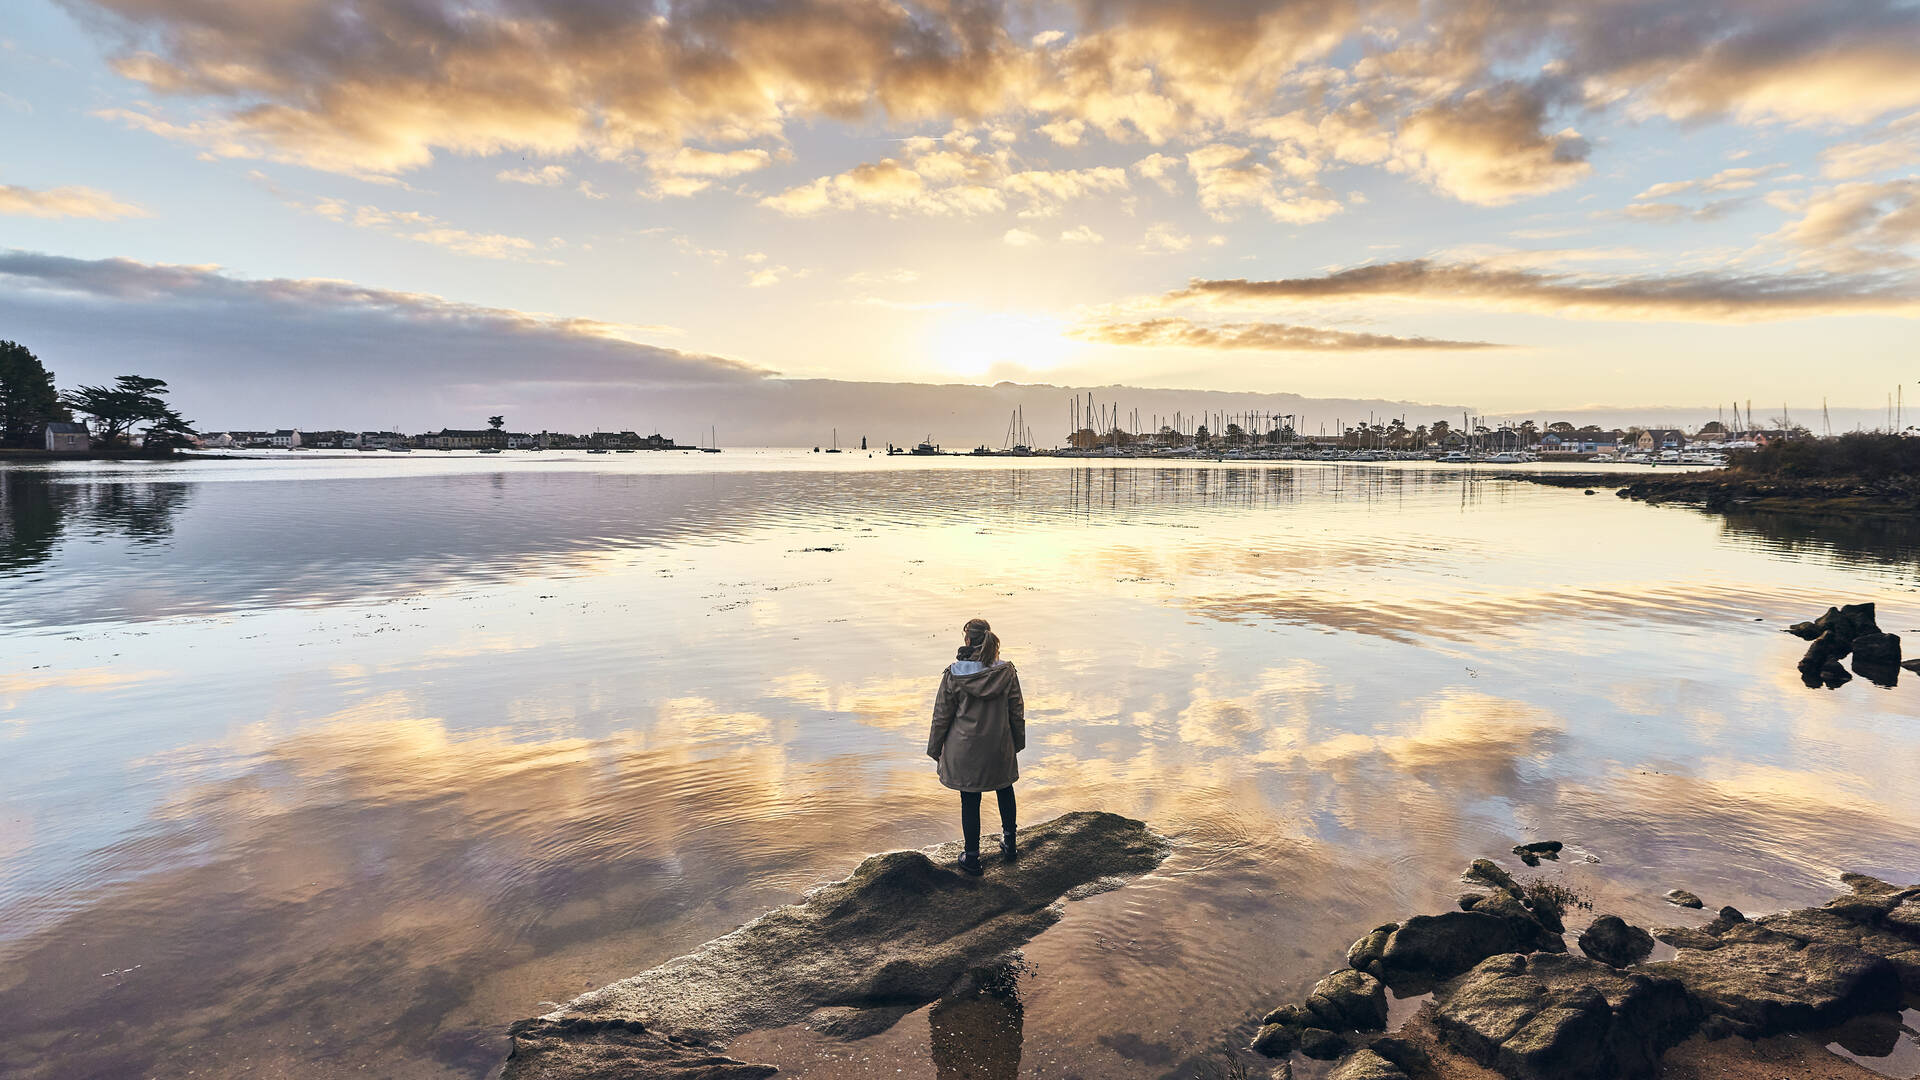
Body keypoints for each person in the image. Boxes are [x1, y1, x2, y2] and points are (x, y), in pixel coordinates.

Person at [927, 619, 1025, 876]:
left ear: (967, 640)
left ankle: (972, 857)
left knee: (970, 798)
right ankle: (1011, 844)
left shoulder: (954, 674)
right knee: (1005, 789)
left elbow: (941, 716)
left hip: (966, 749)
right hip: (999, 746)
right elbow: (1016, 711)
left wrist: (935, 749)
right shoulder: (1006, 672)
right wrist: (1017, 743)